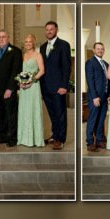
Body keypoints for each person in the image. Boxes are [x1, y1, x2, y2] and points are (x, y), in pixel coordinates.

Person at [39, 21, 71, 150]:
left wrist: (64, 85)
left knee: (60, 113)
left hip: (58, 87)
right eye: (47, 30)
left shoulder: (63, 45)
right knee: (52, 113)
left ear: (56, 30)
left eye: (51, 29)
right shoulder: (42, 47)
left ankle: (61, 139)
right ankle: (55, 134)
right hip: (46, 86)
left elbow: (66, 67)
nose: (49, 32)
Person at [0, 29, 21, 146]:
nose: (1, 39)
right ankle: (2, 136)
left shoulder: (15, 51)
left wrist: (11, 89)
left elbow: (15, 71)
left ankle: (12, 138)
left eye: (3, 37)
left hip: (8, 90)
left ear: (8, 38)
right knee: (0, 114)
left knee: (11, 115)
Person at [17, 34, 46, 147]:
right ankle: (24, 138)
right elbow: (20, 72)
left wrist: (31, 81)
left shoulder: (38, 55)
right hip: (23, 88)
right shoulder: (23, 55)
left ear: (34, 43)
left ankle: (34, 139)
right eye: (26, 42)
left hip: (33, 86)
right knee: (24, 111)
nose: (28, 44)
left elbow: (42, 71)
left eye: (30, 42)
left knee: (33, 110)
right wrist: (20, 82)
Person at [85, 42, 109, 151]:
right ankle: (90, 142)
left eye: (102, 49)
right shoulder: (90, 62)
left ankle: (99, 140)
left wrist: (109, 95)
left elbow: (108, 81)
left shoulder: (106, 64)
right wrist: (94, 96)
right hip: (95, 97)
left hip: (104, 96)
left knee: (101, 119)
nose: (100, 50)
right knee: (93, 119)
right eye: (98, 49)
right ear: (94, 50)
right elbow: (90, 81)